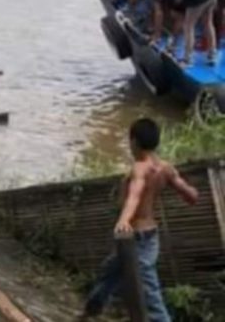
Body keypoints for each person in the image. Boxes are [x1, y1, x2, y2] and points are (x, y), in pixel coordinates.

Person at [83, 118, 198, 320]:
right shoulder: (165, 169)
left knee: (149, 292)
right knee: (109, 273)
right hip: (148, 235)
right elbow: (189, 194)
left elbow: (134, 195)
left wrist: (124, 220)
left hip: (137, 236)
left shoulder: (140, 168)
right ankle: (92, 309)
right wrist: (191, 193)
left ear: (134, 142)